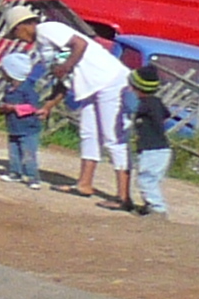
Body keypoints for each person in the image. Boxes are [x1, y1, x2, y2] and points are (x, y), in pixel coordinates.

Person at [33, 15, 130, 200]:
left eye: (16, 31)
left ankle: (123, 196)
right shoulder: (42, 47)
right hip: (89, 87)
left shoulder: (47, 29)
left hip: (108, 80)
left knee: (113, 136)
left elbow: (80, 45)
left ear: (25, 25)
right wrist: (48, 105)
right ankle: (84, 183)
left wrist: (66, 66)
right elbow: (63, 79)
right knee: (89, 133)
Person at [125, 67, 174, 217]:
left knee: (146, 180)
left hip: (152, 149)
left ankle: (158, 209)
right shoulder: (156, 102)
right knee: (150, 179)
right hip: (161, 149)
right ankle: (149, 206)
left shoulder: (144, 104)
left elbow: (131, 108)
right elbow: (166, 114)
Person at [0, 47, 45, 185]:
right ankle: (15, 173)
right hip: (14, 126)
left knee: (28, 153)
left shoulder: (27, 89)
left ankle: (33, 177)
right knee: (14, 152)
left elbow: (32, 107)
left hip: (28, 128)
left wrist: (13, 108)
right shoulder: (10, 89)